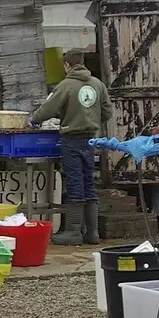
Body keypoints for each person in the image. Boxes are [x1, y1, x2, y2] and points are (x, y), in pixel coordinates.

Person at [32, 49, 112, 245]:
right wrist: (90, 118)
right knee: (88, 183)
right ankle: (92, 233)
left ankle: (73, 231)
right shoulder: (97, 84)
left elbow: (48, 109)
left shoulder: (66, 85)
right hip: (91, 140)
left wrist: (33, 120)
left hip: (72, 140)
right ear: (82, 63)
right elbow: (107, 111)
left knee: (75, 183)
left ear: (67, 65)